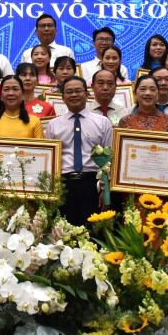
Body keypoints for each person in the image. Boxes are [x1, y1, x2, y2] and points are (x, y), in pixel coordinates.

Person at [46, 76, 113, 225]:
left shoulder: (102, 122)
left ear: (87, 94)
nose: (74, 95)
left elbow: (109, 160)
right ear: (62, 97)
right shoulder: (53, 125)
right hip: (64, 185)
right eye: (69, 92)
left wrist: (105, 190)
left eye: (78, 91)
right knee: (65, 234)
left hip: (92, 184)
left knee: (94, 234)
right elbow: (49, 162)